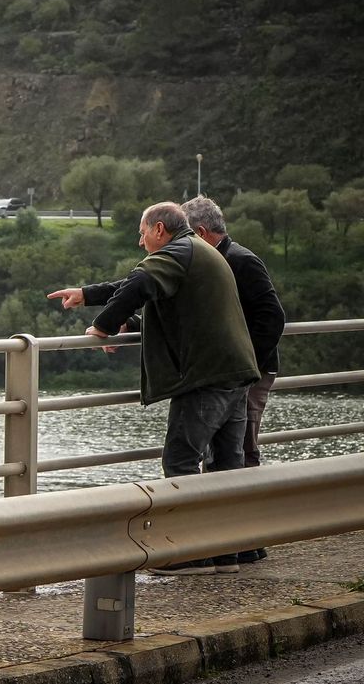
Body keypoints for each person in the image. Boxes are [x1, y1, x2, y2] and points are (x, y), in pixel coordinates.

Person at [48, 202, 259, 575]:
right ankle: (227, 554)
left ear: (159, 229)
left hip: (205, 377)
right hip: (235, 373)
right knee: (228, 466)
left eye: (142, 233)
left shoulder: (178, 252)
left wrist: (103, 326)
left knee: (180, 459)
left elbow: (141, 282)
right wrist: (86, 293)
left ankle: (191, 555)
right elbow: (141, 286)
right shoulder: (197, 251)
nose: (140, 240)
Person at [184, 195, 285, 565]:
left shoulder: (240, 261)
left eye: (186, 236)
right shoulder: (219, 259)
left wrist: (245, 366)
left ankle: (244, 541)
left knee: (240, 451)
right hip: (234, 372)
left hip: (247, 374)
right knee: (230, 452)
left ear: (200, 232)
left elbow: (272, 318)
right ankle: (237, 542)